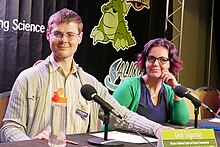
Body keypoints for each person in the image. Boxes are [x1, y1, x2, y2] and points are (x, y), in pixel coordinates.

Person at [0, 8, 172, 142]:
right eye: (58, 34)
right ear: (48, 35)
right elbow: (9, 128)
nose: (64, 40)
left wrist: (156, 129)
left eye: (70, 34)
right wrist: (30, 143)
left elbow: (121, 116)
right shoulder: (28, 78)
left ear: (80, 38)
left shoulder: (90, 84)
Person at [112, 38, 190, 126]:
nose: (156, 64)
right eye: (151, 58)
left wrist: (176, 87)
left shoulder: (169, 90)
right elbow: (112, 120)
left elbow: (181, 121)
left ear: (170, 64)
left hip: (155, 139)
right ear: (145, 61)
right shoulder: (129, 86)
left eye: (163, 60)